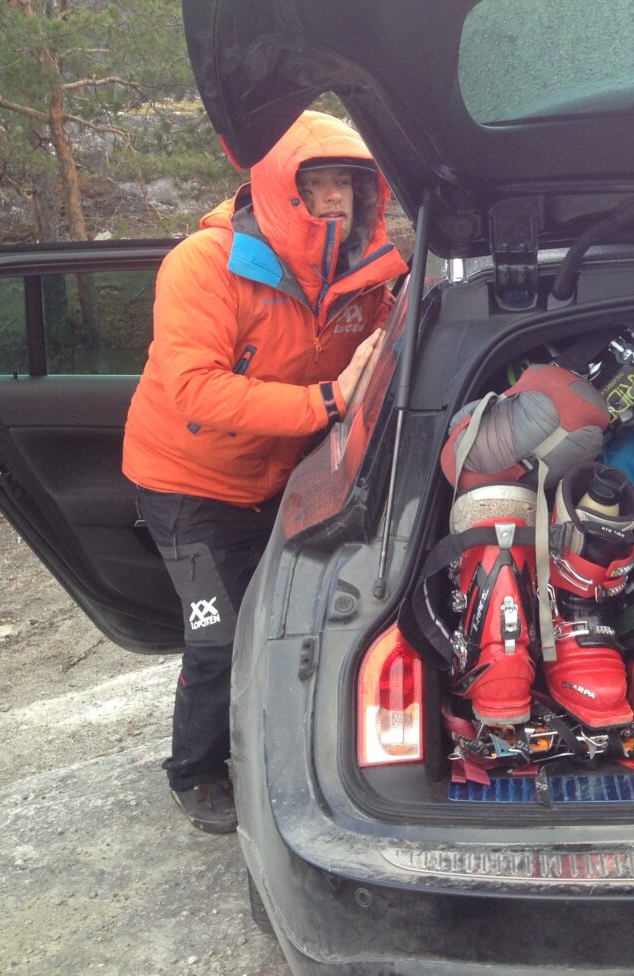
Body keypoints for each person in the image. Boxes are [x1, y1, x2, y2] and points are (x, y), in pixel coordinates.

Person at [123, 110, 409, 834]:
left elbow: (401, 328)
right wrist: (327, 400)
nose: (337, 197)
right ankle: (194, 771)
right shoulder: (205, 263)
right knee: (217, 634)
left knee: (290, 621)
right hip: (186, 483)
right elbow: (193, 390)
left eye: (348, 181)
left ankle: (283, 749)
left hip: (286, 476)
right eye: (318, 182)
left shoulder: (368, 272)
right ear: (282, 188)